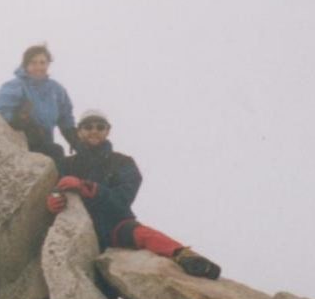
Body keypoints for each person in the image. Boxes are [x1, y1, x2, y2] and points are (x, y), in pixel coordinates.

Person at [45, 110, 222, 279]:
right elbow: (54, 189)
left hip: (115, 225)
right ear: (79, 131)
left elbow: (123, 199)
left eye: (100, 127)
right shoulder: (65, 164)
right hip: (77, 229)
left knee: (143, 235)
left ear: (107, 131)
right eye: (88, 126)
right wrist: (53, 201)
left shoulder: (123, 163)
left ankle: (184, 256)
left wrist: (90, 188)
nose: (94, 131)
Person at [0, 44, 78, 160]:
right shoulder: (14, 86)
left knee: (58, 153)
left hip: (45, 143)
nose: (38, 67)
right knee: (56, 151)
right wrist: (23, 122)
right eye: (33, 63)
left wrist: (76, 142)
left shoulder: (56, 90)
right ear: (25, 65)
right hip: (19, 144)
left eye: (42, 63)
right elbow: (0, 112)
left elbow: (66, 118)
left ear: (48, 64)